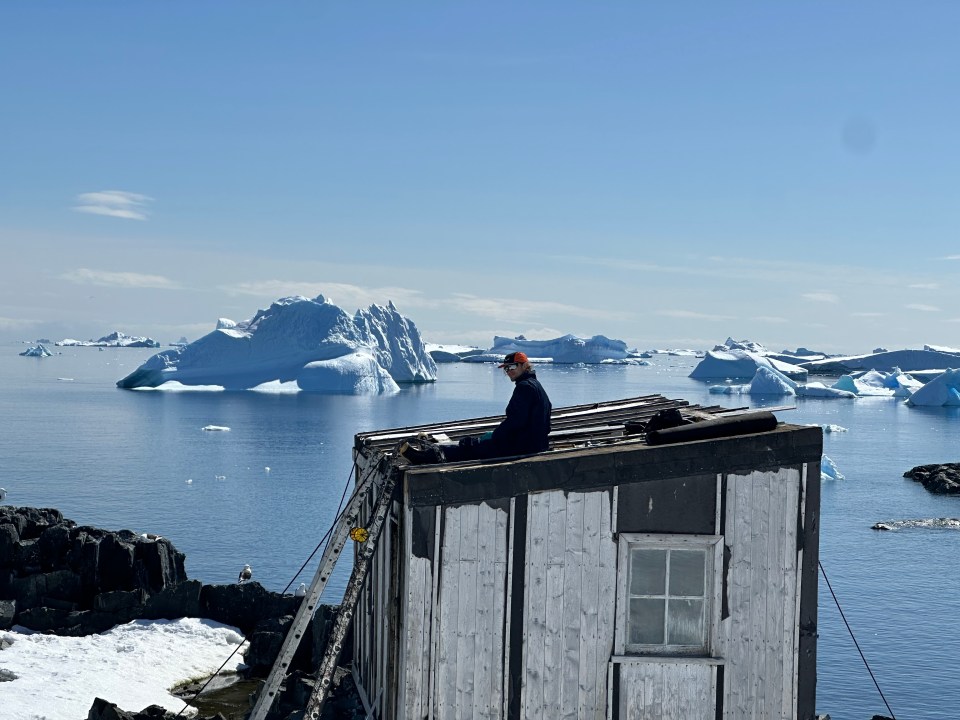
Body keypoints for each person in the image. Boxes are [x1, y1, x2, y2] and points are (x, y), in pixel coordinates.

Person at [401, 351, 552, 464]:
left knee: (469, 447)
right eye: (505, 369)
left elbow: (515, 422)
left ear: (524, 366)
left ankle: (423, 458)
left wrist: (495, 436)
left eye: (511, 366)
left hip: (520, 447)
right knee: (476, 444)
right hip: (533, 444)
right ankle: (429, 453)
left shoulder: (524, 387)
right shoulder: (536, 386)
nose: (508, 371)